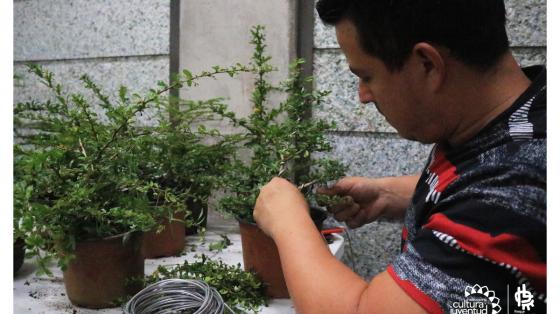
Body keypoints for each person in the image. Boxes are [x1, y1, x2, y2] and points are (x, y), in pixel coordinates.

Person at [253, 0, 546, 313]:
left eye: (366, 76)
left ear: (427, 64)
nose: (363, 96)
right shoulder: (527, 112)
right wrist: (393, 194)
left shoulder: (511, 192)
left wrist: (289, 221)